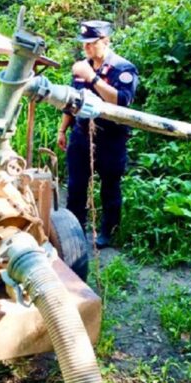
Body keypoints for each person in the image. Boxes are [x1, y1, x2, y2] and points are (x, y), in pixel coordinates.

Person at [57, 20, 139, 248]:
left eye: (91, 44)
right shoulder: (82, 67)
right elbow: (72, 100)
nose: (86, 49)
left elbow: (121, 101)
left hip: (110, 138)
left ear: (105, 41)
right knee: (76, 186)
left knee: (110, 187)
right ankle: (75, 230)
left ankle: (107, 233)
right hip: (81, 135)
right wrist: (63, 129)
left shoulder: (123, 69)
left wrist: (93, 78)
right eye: (84, 45)